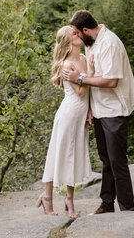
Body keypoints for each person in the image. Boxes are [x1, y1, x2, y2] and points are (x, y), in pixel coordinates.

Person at [62, 10, 134, 214]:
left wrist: (79, 78)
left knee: (117, 161)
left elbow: (111, 81)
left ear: (85, 30)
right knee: (106, 160)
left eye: (77, 34)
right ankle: (107, 204)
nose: (76, 38)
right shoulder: (91, 43)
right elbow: (94, 75)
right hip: (99, 110)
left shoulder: (110, 44)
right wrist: (90, 107)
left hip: (115, 111)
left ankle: (128, 210)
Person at [37, 25, 94, 219]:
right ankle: (47, 197)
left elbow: (88, 90)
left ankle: (69, 199)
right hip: (69, 114)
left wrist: (90, 110)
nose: (77, 34)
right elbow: (80, 91)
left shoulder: (84, 59)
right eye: (73, 33)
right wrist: (88, 75)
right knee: (58, 153)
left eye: (77, 31)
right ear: (67, 41)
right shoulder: (66, 65)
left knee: (73, 155)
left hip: (80, 115)